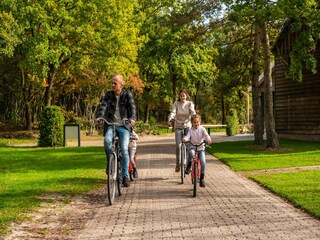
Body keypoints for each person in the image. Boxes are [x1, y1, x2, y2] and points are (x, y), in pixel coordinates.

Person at [96, 75, 136, 187]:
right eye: (112, 83)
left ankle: (125, 176)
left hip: (124, 126)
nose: (113, 85)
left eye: (115, 83)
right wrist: (100, 116)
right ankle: (110, 162)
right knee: (107, 142)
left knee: (124, 148)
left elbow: (132, 107)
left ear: (121, 85)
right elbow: (103, 106)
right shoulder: (108, 95)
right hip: (111, 125)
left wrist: (132, 119)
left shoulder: (127, 94)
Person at [168, 89, 196, 172]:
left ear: (186, 96)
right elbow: (173, 112)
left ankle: (188, 163)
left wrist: (194, 117)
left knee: (188, 145)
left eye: (184, 95)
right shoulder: (176, 104)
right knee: (178, 145)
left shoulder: (190, 103)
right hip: (178, 126)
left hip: (187, 126)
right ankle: (178, 163)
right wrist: (170, 119)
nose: (182, 97)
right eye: (181, 96)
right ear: (179, 96)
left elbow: (193, 112)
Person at [182, 114, 212, 187]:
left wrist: (208, 139)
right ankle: (189, 165)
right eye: (194, 122)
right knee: (191, 153)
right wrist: (185, 139)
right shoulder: (190, 130)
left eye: (197, 122)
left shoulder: (202, 129)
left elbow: (206, 135)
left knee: (203, 161)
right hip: (193, 148)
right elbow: (187, 136)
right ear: (192, 123)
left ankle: (202, 178)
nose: (196, 124)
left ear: (200, 122)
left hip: (200, 148)